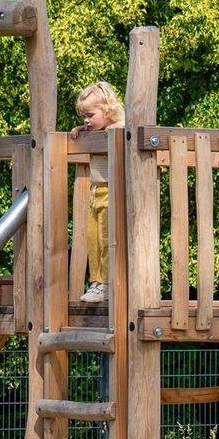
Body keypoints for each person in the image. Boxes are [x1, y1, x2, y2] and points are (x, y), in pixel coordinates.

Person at [72, 80, 124, 302]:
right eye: (83, 116)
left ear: (107, 111)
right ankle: (96, 281)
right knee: (92, 238)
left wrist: (118, 125)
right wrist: (80, 130)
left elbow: (129, 125)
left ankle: (107, 282)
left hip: (111, 190)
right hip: (95, 192)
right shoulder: (94, 130)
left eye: (90, 115)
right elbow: (86, 127)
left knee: (106, 236)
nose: (86, 120)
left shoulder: (119, 126)